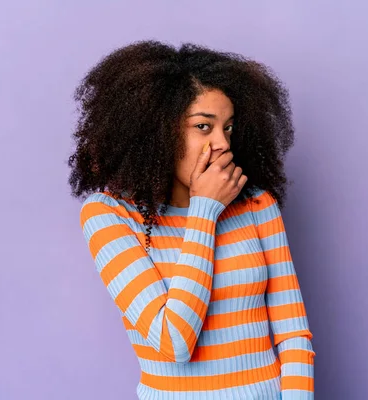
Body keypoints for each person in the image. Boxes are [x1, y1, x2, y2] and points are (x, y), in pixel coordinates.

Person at [68, 40, 315, 399]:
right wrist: (205, 210)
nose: (222, 144)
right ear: (157, 131)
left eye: (228, 127)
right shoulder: (109, 215)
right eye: (204, 127)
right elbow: (174, 341)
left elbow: (294, 337)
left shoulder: (257, 204)